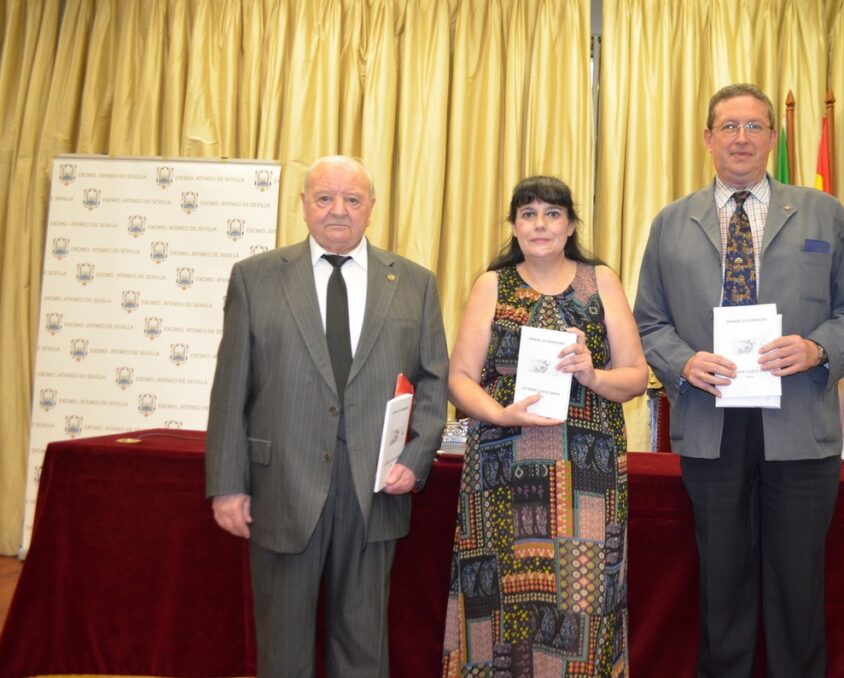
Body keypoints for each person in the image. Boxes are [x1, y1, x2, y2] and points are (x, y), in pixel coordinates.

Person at [633, 83, 844, 678]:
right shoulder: (671, 223)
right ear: (707, 138)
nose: (740, 138)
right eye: (728, 126)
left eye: (753, 126)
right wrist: (683, 362)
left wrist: (818, 348)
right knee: (722, 586)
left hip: (799, 424)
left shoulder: (822, 212)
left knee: (798, 587)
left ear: (773, 137)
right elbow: (649, 322)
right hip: (710, 422)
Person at [205, 155, 448, 677]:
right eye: (324, 198)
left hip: (375, 489)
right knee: (283, 646)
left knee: (363, 646)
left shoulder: (415, 283)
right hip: (281, 485)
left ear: (371, 207)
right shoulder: (254, 278)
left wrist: (414, 460)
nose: (339, 210)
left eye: (352, 199)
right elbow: (230, 388)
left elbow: (434, 382)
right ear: (303, 204)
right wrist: (226, 484)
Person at [441, 176, 648, 677]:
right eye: (528, 214)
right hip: (501, 466)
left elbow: (637, 377)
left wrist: (592, 374)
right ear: (514, 226)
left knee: (583, 598)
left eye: (552, 214)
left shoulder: (601, 281)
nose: (540, 224)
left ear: (571, 225)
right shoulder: (492, 285)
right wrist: (499, 414)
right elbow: (460, 379)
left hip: (586, 474)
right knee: (502, 597)